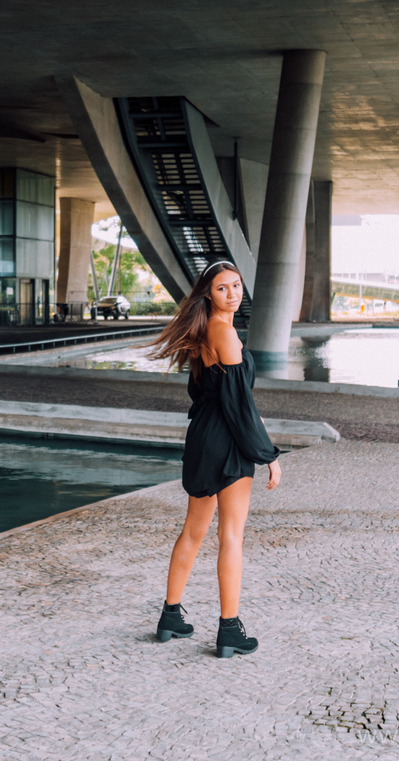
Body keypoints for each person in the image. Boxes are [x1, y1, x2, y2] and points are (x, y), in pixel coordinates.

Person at [144, 260, 282, 658]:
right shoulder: (226, 334)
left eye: (237, 286)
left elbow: (215, 395)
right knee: (231, 536)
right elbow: (241, 406)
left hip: (203, 437)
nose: (233, 294)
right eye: (223, 288)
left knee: (193, 530)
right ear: (209, 293)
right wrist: (268, 454)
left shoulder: (204, 331)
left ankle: (171, 615)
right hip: (227, 440)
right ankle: (229, 629)